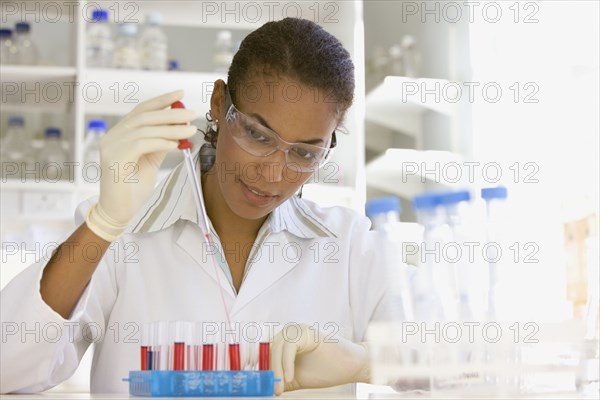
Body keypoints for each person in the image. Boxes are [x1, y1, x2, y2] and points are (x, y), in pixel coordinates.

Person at [1, 18, 400, 394]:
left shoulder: (351, 247)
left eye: (304, 153)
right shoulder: (121, 236)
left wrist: (365, 365)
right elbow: (8, 366)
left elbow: (441, 380)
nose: (275, 173)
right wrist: (104, 224)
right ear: (218, 103)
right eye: (258, 135)